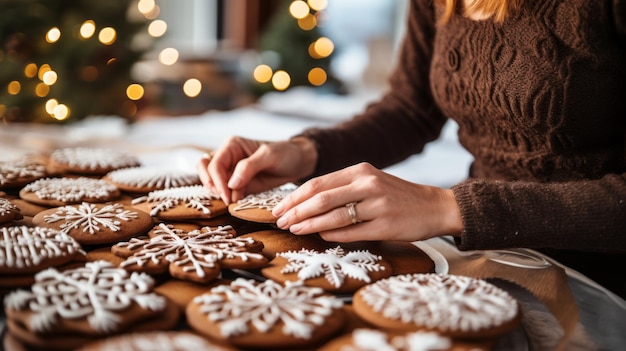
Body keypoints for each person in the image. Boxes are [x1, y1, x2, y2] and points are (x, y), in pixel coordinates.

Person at [197, 0, 626, 299]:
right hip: (487, 252)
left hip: (598, 273)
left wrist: (447, 208)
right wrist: (305, 151)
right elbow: (410, 109)